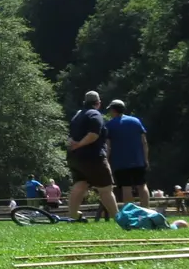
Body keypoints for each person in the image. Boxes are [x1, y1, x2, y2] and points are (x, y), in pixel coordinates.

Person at [65, 91, 119, 222]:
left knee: (80, 184)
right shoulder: (95, 114)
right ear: (98, 103)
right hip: (93, 157)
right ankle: (118, 218)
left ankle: (73, 215)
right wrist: (80, 144)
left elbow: (71, 134)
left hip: (75, 157)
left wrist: (74, 145)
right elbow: (93, 135)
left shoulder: (77, 115)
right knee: (105, 188)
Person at [104, 100, 151, 208]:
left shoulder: (110, 125)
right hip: (138, 160)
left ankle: (131, 212)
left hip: (120, 162)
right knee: (142, 185)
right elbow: (144, 142)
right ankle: (147, 210)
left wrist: (106, 161)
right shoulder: (136, 121)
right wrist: (146, 159)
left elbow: (108, 146)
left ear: (113, 110)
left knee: (126, 187)